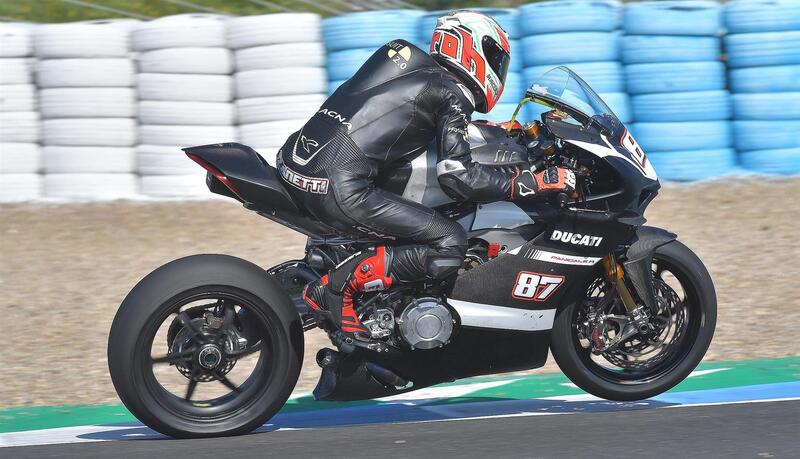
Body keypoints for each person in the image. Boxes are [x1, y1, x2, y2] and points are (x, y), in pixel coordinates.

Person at [276, 10, 575, 339]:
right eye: (494, 57)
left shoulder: (405, 59)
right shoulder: (451, 92)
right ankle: (333, 290)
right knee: (449, 240)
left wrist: (499, 131)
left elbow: (404, 118)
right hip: (338, 187)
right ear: (470, 48)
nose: (497, 68)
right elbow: (459, 178)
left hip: (298, 161)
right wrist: (531, 182)